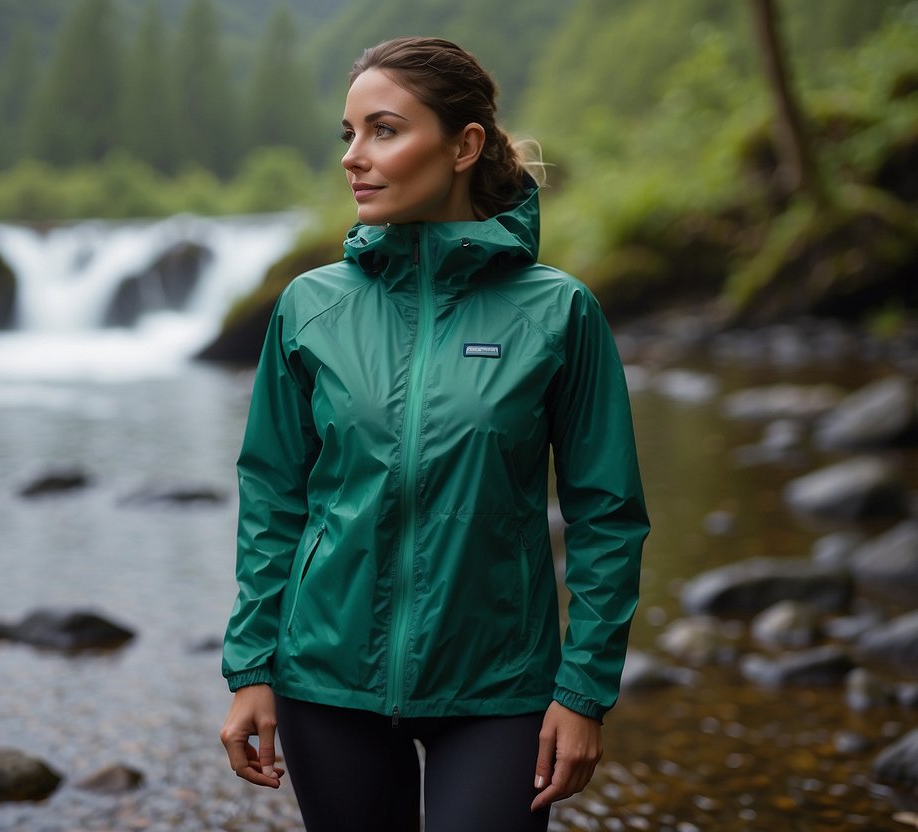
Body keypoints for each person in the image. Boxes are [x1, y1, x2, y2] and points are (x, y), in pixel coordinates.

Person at [220, 36, 648, 832]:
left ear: (465, 146)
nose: (354, 157)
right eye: (346, 135)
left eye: (382, 130)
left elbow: (607, 514)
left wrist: (582, 691)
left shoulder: (557, 312)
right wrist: (250, 668)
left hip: (499, 691)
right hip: (324, 683)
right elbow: (273, 497)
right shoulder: (309, 307)